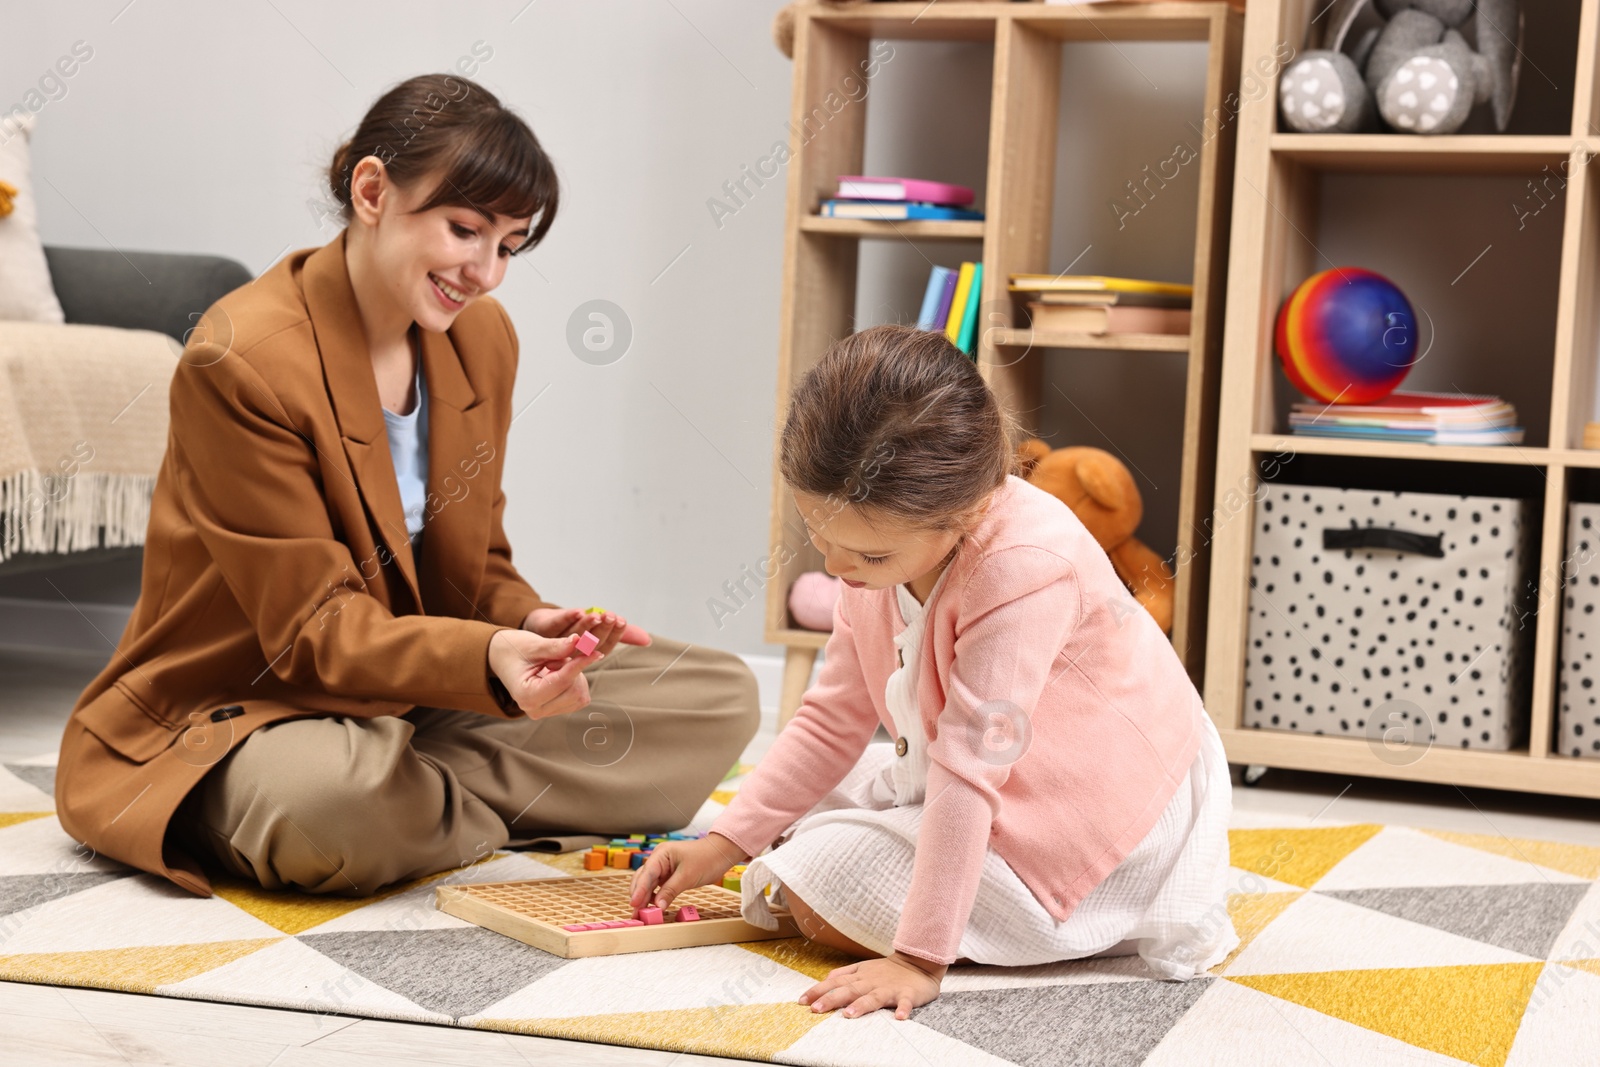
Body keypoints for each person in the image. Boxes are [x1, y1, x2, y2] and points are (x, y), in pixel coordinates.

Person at [55, 73, 759, 899]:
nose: (487, 272)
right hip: (250, 706)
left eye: (509, 246)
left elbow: (475, 559)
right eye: (465, 230)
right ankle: (411, 800)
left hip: (411, 694)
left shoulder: (481, 339)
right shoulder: (240, 359)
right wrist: (491, 660)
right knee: (339, 801)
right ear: (372, 190)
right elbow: (310, 632)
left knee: (720, 696)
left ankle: (423, 800)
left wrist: (531, 622)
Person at [632, 324, 1236, 1019]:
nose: (835, 568)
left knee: (815, 889)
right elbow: (831, 717)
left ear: (968, 511)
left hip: (1101, 807)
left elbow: (971, 767)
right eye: (817, 535)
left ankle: (1086, 920)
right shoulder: (874, 555)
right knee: (790, 832)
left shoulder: (1023, 565)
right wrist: (723, 843)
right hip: (972, 769)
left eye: (868, 556)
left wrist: (919, 959)